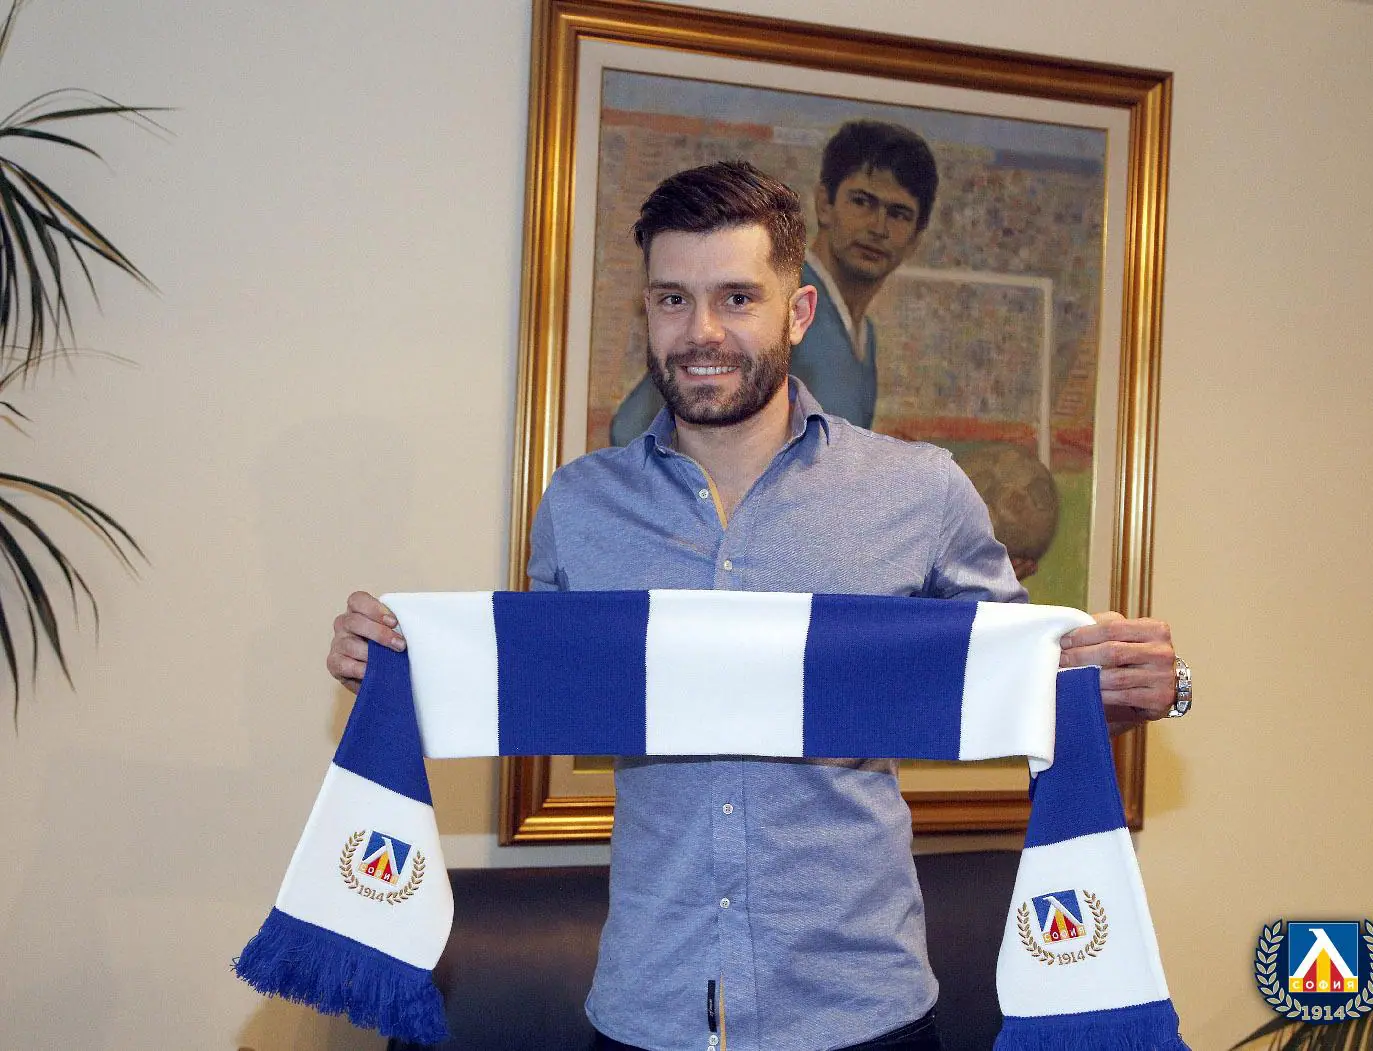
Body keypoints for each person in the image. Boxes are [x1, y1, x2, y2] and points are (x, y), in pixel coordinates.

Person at [327, 162, 1183, 1051]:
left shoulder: (919, 492)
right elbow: (531, 685)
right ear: (646, 310)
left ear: (797, 311)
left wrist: (1139, 685)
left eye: (736, 297)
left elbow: (1033, 693)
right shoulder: (580, 506)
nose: (700, 331)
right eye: (672, 299)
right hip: (647, 1009)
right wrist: (395, 671)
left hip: (864, 1014)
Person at [608, 119, 938, 443]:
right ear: (825, 204)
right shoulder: (767, 300)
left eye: (898, 213)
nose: (878, 228)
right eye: (861, 201)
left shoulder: (864, 336)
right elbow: (630, 430)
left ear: (917, 236)